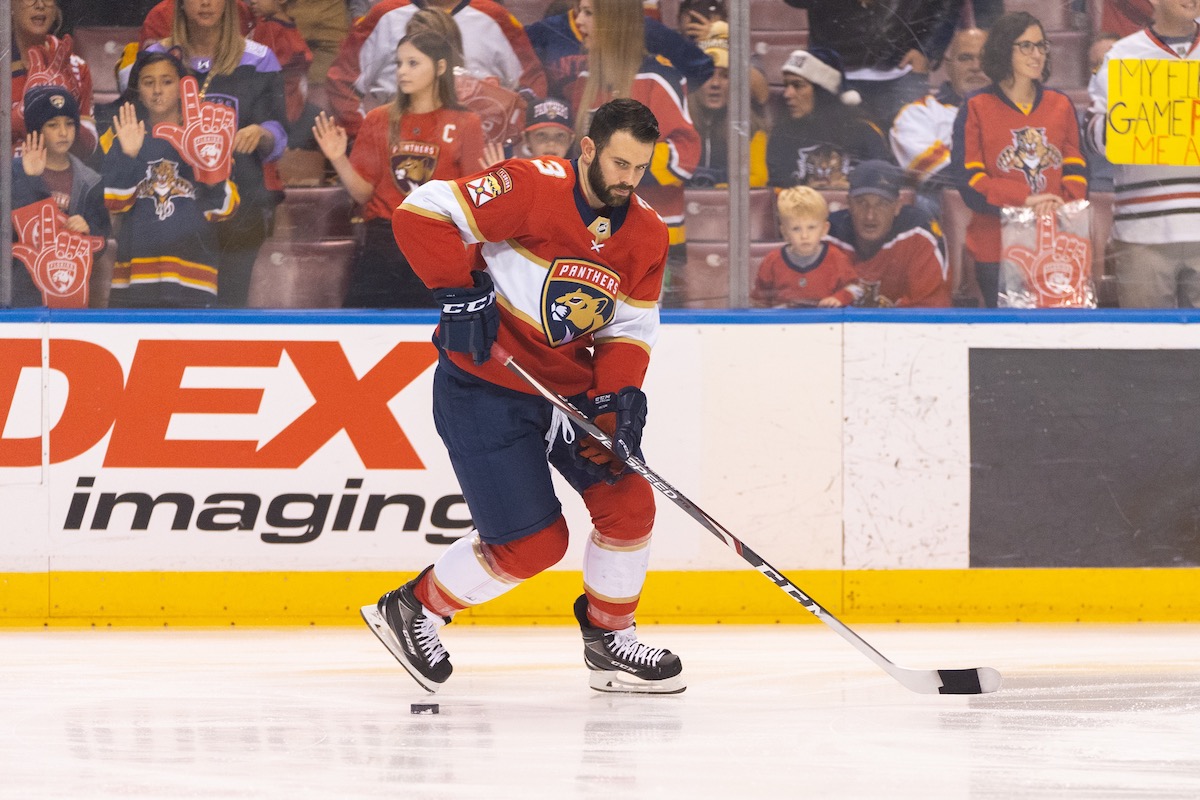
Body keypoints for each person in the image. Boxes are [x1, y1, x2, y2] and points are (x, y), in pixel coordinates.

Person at [362, 98, 684, 695]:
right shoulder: (530, 185)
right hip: (483, 386)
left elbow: (628, 328)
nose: (628, 180)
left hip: (566, 395)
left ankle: (609, 639)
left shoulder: (647, 233)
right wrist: (458, 291)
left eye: (640, 168)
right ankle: (414, 608)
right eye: (619, 164)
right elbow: (420, 212)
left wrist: (616, 400)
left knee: (630, 505)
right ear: (587, 149)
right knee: (534, 545)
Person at [313, 30, 487, 308]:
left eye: (413, 63)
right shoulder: (379, 118)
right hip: (383, 245)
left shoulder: (466, 123)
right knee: (361, 325)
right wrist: (338, 158)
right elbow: (362, 193)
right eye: (399, 63)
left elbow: (469, 202)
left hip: (437, 243)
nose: (402, 71)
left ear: (440, 67)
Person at [146, 0, 289, 308]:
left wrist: (261, 133)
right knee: (175, 315)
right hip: (171, 208)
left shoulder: (259, 59)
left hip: (238, 208)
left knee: (229, 309)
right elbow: (140, 124)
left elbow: (279, 130)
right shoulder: (157, 57)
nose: (206, 3)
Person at [951, 11, 1087, 308]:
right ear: (1003, 49)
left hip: (1056, 244)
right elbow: (970, 180)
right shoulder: (976, 106)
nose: (1036, 54)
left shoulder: (1060, 104)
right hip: (996, 249)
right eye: (1026, 46)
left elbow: (1076, 169)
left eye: (1041, 46)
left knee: (1061, 331)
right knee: (1008, 334)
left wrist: (1059, 202)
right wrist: (1026, 200)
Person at [567, 0, 700, 296]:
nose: (579, 21)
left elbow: (684, 157)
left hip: (654, 234)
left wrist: (616, 165)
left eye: (589, 13)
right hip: (596, 235)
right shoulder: (585, 80)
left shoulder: (657, 78)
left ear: (614, 20)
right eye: (578, 12)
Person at [102, 50, 240, 308]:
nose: (157, 90)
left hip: (194, 276)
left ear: (181, 88)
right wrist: (130, 155)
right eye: (148, 82)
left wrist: (212, 172)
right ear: (138, 90)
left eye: (167, 81)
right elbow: (115, 203)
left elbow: (224, 210)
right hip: (136, 278)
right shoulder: (126, 135)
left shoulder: (204, 137)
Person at [1086, 0, 1200, 308]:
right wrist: (1132, 120)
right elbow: (1094, 136)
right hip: (1141, 232)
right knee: (1144, 338)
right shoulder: (1122, 55)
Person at [326, 0, 547, 138]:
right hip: (398, 144)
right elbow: (342, 81)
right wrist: (367, 135)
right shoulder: (384, 15)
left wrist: (508, 137)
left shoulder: (495, 17)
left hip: (477, 147)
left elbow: (530, 86)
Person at [781, 0, 961, 132]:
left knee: (914, 153)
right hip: (834, 69)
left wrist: (927, 49)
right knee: (831, 159)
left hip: (901, 69)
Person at [9, 85, 110, 307]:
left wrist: (88, 230)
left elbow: (102, 241)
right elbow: (10, 234)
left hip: (69, 292)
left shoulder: (90, 180)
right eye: (53, 125)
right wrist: (29, 178)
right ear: (36, 130)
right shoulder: (11, 173)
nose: (63, 132)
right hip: (21, 296)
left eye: (70, 123)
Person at [890, 27, 988, 219]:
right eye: (965, 58)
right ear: (948, 67)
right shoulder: (918, 114)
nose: (976, 66)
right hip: (949, 219)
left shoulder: (1022, 114)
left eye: (985, 58)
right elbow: (942, 175)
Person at [526, 0, 714, 99]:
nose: (581, 20)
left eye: (589, 13)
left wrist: (664, 99)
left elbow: (701, 68)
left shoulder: (643, 29)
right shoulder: (547, 30)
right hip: (563, 142)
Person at [826, 160, 951, 307]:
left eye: (882, 204)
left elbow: (928, 310)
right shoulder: (827, 233)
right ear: (849, 203)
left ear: (897, 206)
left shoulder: (921, 233)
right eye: (861, 203)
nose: (870, 215)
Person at [766, 47, 889, 190]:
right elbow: (776, 192)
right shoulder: (781, 135)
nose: (787, 94)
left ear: (822, 91)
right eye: (786, 85)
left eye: (798, 85)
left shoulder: (865, 132)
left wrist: (854, 190)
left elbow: (883, 185)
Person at [10, 0, 98, 157]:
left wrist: (64, 109)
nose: (40, 4)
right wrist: (20, 117)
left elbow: (89, 147)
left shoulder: (76, 66)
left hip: (60, 170)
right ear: (9, 5)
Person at [686, 22, 767, 188]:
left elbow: (758, 179)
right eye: (708, 75)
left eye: (725, 76)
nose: (715, 83)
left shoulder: (752, 127)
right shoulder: (676, 123)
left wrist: (719, 191)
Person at [751, 186, 861, 308]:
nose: (804, 236)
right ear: (784, 232)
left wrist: (839, 298)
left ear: (824, 229)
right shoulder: (772, 261)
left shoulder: (837, 258)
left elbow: (856, 288)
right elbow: (758, 301)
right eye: (796, 229)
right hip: (783, 320)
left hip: (825, 320)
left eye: (811, 227)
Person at [247, 0, 316, 151]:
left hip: (277, 112)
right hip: (293, 110)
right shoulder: (286, 27)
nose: (252, 1)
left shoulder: (270, 29)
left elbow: (258, 77)